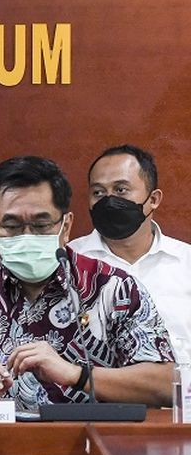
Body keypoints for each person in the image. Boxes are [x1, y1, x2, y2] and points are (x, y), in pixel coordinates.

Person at [0, 155, 174, 410]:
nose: (27, 236)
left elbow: (164, 384)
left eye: (42, 224)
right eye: (12, 225)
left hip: (90, 447)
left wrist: (76, 375)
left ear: (65, 226)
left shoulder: (112, 287)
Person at [69, 145, 191, 364]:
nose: (108, 200)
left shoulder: (186, 264)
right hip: (90, 395)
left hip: (178, 396)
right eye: (98, 192)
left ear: (153, 199)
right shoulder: (70, 262)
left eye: (121, 190)